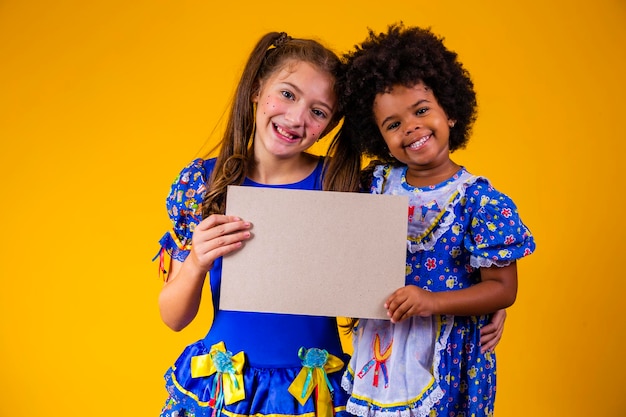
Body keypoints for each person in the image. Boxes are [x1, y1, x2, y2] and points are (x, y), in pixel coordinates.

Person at [325, 23, 536, 416]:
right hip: (380, 348)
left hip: (446, 354)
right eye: (393, 124)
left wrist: (435, 301)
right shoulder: (373, 184)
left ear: (450, 111)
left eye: (421, 110)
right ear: (379, 137)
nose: (411, 128)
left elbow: (504, 290)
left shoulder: (481, 201)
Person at [155, 31, 352, 417]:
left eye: (318, 111)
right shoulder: (203, 184)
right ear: (258, 90)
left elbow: (405, 270)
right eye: (288, 94)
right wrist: (197, 260)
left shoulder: (342, 185)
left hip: (313, 395)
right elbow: (173, 318)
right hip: (227, 388)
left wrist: (487, 294)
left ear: (329, 126)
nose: (296, 118)